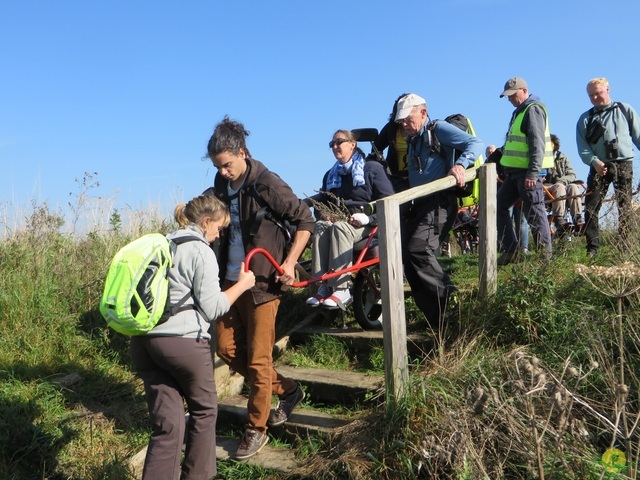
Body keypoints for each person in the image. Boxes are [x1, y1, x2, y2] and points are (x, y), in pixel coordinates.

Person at [204, 116, 315, 460]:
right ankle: (289, 390)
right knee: (225, 348)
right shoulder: (220, 186)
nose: (223, 172)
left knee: (258, 357)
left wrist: (290, 262)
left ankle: (256, 428)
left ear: (242, 152)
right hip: (229, 281)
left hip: (263, 282)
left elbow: (305, 220)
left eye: (227, 165)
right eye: (218, 167)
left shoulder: (267, 183)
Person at [131, 194, 256, 480]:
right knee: (204, 410)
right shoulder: (200, 251)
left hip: (144, 343)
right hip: (183, 343)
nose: (218, 235)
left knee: (168, 424)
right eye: (218, 228)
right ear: (205, 221)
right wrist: (242, 285)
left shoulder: (162, 242)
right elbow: (213, 308)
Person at [394, 93, 484, 328]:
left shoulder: (439, 129)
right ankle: (435, 318)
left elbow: (475, 143)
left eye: (407, 117)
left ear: (423, 113)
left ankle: (451, 300)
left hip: (440, 202)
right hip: (420, 203)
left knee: (419, 250)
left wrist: (460, 164)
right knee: (406, 254)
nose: (403, 123)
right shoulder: (414, 139)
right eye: (400, 119)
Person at [306, 129, 395, 308]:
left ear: (352, 144)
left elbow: (391, 202)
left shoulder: (371, 169)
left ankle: (341, 289)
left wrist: (369, 219)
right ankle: (323, 285)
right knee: (321, 226)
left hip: (367, 226)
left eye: (339, 142)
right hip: (341, 223)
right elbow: (322, 202)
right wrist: (323, 214)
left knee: (340, 227)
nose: (335, 146)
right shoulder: (330, 175)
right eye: (332, 144)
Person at [576, 77, 640, 257]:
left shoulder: (625, 110)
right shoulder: (585, 119)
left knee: (625, 207)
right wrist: (594, 162)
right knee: (591, 207)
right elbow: (582, 148)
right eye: (591, 95)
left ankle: (625, 247)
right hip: (598, 165)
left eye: (598, 93)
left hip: (624, 164)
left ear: (608, 90)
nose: (595, 97)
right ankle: (592, 249)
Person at [495, 77, 553, 265]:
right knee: (498, 206)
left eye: (513, 95)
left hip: (528, 174)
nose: (510, 99)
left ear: (524, 91)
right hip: (514, 174)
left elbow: (538, 143)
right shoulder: (519, 112)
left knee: (535, 214)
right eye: (508, 96)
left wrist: (533, 173)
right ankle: (512, 251)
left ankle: (545, 259)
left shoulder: (532, 109)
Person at [487, 144, 530, 253]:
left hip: (519, 187)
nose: (491, 153)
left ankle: (523, 248)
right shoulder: (496, 156)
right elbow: (487, 164)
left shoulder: (518, 152)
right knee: (506, 217)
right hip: (505, 192)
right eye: (488, 152)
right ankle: (509, 248)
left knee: (522, 220)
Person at [372, 93, 411, 192]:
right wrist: (383, 168)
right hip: (397, 177)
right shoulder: (391, 128)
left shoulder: (420, 128)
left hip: (417, 175)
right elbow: (377, 148)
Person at [545, 134, 584, 232]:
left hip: (562, 187)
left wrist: (562, 180)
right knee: (559, 187)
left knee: (573, 186)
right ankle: (559, 219)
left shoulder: (562, 157)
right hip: (546, 189)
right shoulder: (540, 159)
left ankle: (577, 218)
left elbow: (572, 174)